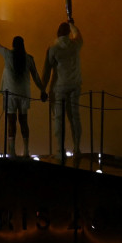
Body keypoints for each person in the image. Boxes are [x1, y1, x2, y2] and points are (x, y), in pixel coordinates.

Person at [0, 27, 46, 158]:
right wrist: (43, 90)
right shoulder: (29, 58)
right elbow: (36, 76)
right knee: (24, 122)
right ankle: (26, 151)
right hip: (24, 94)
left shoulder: (8, 54)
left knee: (11, 122)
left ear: (13, 45)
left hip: (11, 95)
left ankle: (12, 151)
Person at [41, 20, 84, 166]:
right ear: (68, 33)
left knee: (58, 119)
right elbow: (78, 34)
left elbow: (47, 72)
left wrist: (42, 89)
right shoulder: (75, 45)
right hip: (75, 86)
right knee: (75, 118)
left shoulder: (53, 49)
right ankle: (77, 149)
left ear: (57, 33)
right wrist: (72, 23)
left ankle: (60, 151)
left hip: (59, 87)